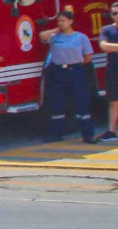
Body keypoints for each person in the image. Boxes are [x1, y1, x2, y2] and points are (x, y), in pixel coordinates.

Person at [39, 9, 96, 143]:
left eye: (64, 21)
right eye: (59, 21)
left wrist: (76, 63)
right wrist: (57, 29)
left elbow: (88, 57)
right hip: (58, 71)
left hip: (76, 70)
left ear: (71, 21)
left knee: (81, 102)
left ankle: (88, 135)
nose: (61, 23)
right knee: (57, 102)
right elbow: (42, 36)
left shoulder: (81, 37)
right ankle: (55, 134)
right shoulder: (54, 37)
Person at [98, 2, 118, 143]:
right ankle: (111, 131)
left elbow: (108, 46)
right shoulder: (106, 30)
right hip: (113, 68)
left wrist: (113, 47)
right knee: (114, 101)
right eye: (114, 13)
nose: (116, 15)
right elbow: (103, 46)